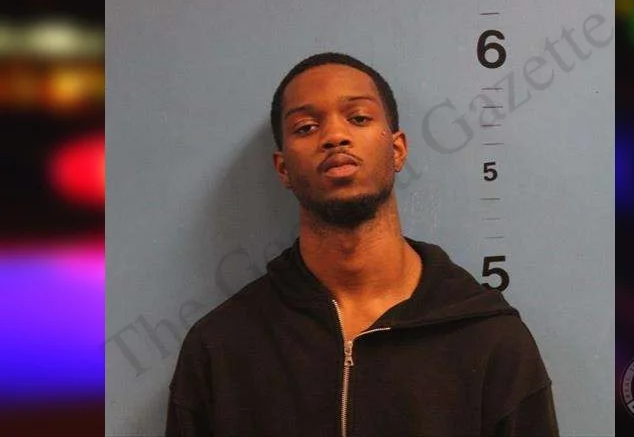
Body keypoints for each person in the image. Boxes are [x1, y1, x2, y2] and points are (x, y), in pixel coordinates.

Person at [165, 52, 560, 436]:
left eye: (358, 118)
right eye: (306, 127)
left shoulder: (491, 340)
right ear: (283, 168)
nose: (335, 136)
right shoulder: (220, 350)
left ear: (397, 149)